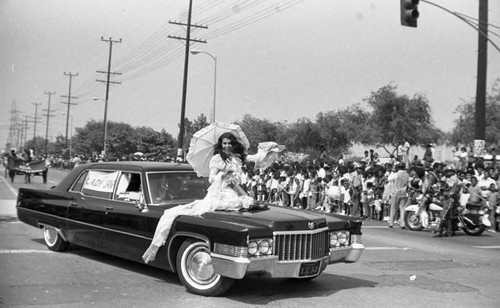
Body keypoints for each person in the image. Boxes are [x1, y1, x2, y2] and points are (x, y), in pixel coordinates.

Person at [142, 132, 284, 264]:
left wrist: (270, 150)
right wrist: (223, 174)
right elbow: (211, 179)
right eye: (224, 143)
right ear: (220, 145)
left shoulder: (237, 158)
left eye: (229, 143)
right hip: (219, 193)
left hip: (234, 192)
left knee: (246, 210)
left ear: (234, 144)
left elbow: (255, 159)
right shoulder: (216, 159)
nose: (227, 146)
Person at [388, 163, 409, 229]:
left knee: (393, 208)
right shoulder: (407, 175)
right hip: (403, 193)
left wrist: (392, 172)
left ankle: (391, 223)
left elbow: (389, 179)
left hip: (396, 192)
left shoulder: (396, 174)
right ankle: (402, 224)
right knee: (402, 209)